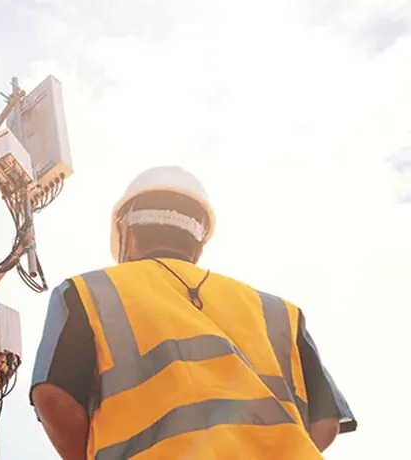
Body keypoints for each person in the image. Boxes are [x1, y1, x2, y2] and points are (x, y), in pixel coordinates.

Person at [27, 166, 357, 460]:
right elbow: (325, 418)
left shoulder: (91, 291)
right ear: (198, 245)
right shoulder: (278, 311)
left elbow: (53, 394)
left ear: (126, 233)